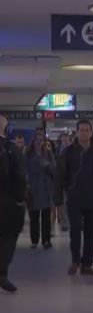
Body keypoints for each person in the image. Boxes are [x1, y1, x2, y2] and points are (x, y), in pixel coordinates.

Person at [56, 120, 93, 276]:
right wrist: (58, 197)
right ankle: (75, 260)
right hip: (74, 198)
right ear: (76, 132)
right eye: (81, 130)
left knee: (90, 233)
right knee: (75, 231)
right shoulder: (68, 152)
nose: (84, 133)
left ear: (91, 132)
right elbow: (60, 175)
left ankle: (87, 264)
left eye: (87, 130)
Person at [0, 115, 27, 293]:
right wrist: (20, 199)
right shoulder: (13, 150)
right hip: (8, 203)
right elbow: (19, 177)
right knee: (9, 238)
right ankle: (2, 272)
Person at [25, 131, 56, 249]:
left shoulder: (48, 153)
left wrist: (48, 165)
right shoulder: (28, 154)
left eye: (41, 140)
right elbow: (23, 169)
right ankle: (34, 240)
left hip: (46, 187)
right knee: (34, 216)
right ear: (33, 141)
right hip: (33, 187)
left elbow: (54, 168)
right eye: (37, 140)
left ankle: (46, 240)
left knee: (46, 216)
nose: (39, 142)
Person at [53, 132, 72, 233]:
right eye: (63, 140)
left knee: (71, 203)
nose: (64, 142)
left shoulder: (74, 151)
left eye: (66, 140)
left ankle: (71, 221)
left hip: (71, 181)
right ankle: (65, 223)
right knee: (62, 203)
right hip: (60, 181)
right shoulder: (57, 151)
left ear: (70, 140)